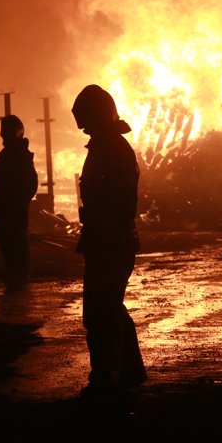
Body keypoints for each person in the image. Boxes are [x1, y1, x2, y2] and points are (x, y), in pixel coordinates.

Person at [71, 84, 147, 401]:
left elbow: (118, 198)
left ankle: (106, 378)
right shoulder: (107, 146)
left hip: (110, 241)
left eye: (87, 121)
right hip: (108, 239)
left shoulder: (112, 149)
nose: (85, 129)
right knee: (109, 307)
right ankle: (129, 371)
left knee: (100, 312)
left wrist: (104, 229)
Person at [0, 115, 38, 287]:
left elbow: (30, 183)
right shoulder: (9, 154)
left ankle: (20, 274)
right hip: (7, 206)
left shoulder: (18, 155)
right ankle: (13, 271)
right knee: (6, 239)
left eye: (5, 133)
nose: (3, 137)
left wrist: (18, 201)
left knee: (16, 239)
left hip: (14, 207)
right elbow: (0, 182)